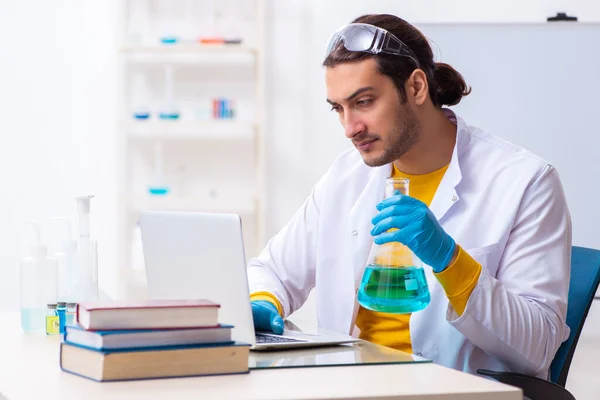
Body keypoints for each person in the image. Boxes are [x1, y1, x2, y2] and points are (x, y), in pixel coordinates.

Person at [247, 13, 571, 378]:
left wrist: (451, 261)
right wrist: (262, 301)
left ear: (416, 87)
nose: (350, 128)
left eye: (364, 102)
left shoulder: (525, 182)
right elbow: (271, 270)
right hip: (348, 384)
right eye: (339, 108)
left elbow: (538, 347)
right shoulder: (346, 177)